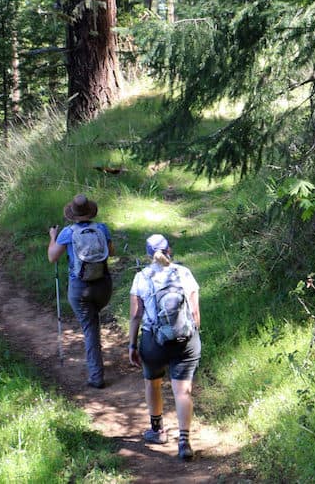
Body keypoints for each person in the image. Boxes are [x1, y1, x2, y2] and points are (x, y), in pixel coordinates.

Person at [127, 234, 202, 460]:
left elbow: (135, 315)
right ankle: (184, 442)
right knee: (182, 390)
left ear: (148, 255)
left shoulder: (141, 277)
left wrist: (132, 345)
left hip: (153, 341)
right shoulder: (184, 273)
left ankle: (157, 430)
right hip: (185, 339)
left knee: (153, 382)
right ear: (170, 250)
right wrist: (192, 336)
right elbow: (195, 313)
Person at [47, 194, 115, 388]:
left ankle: (96, 377)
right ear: (90, 211)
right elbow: (112, 252)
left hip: (80, 288)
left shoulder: (68, 232)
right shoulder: (101, 228)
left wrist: (53, 238)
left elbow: (52, 257)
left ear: (72, 214)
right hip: (103, 286)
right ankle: (97, 363)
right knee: (93, 321)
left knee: (90, 328)